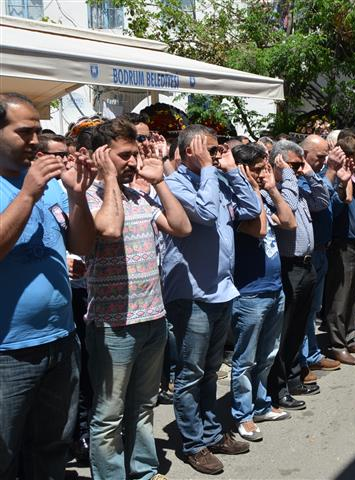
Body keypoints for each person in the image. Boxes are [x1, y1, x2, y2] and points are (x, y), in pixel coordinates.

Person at [82, 119, 191, 480]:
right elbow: (109, 228)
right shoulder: (88, 197)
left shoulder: (140, 195)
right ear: (101, 156)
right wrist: (109, 177)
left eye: (134, 154)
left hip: (153, 320)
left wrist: (159, 182)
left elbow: (181, 226)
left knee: (143, 406)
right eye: (124, 155)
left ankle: (143, 471)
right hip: (113, 326)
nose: (132, 161)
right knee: (109, 414)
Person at [0, 93, 96, 479]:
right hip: (9, 352)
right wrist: (27, 195)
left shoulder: (48, 182)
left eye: (39, 131)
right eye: (24, 132)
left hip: (61, 338)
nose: (36, 141)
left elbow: (82, 244)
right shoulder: (31, 186)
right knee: (4, 451)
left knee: (52, 445)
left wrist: (77, 196)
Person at [162, 125, 262, 475]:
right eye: (212, 150)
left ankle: (212, 432)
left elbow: (250, 208)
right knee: (190, 373)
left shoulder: (215, 179)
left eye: (219, 151)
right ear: (192, 150)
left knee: (209, 371)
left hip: (221, 291)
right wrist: (208, 169)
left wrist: (232, 170)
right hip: (192, 295)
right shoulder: (175, 185)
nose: (217, 155)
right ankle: (193, 443)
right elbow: (203, 215)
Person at [230, 144, 297, 442]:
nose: (263, 173)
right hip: (249, 294)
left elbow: (289, 221)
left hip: (273, 288)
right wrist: (251, 186)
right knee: (245, 359)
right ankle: (242, 416)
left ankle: (260, 405)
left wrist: (272, 188)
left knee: (267, 355)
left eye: (265, 167)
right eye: (256, 169)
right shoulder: (238, 200)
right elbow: (257, 228)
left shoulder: (264, 194)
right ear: (244, 170)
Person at [266, 140, 330, 410]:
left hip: (306, 265)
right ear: (278, 164)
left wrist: (310, 174)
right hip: (288, 266)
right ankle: (277, 387)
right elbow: (289, 207)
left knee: (299, 328)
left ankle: (293, 378)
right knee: (286, 329)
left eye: (298, 164)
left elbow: (323, 200)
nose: (298, 169)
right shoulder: (276, 193)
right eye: (292, 164)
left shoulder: (297, 188)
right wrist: (288, 175)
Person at [296, 135, 342, 379]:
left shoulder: (317, 174)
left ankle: (311, 353)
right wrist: (332, 171)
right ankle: (302, 359)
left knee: (313, 309)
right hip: (307, 254)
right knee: (303, 310)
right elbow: (320, 203)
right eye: (320, 157)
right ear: (304, 155)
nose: (323, 161)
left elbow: (331, 200)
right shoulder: (300, 176)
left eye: (327, 157)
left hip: (322, 248)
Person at [323, 136, 355, 365]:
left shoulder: (349, 174)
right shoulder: (332, 178)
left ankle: (349, 336)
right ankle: (337, 343)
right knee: (339, 298)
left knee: (352, 296)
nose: (353, 164)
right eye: (350, 160)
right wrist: (344, 184)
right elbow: (333, 208)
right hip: (340, 243)